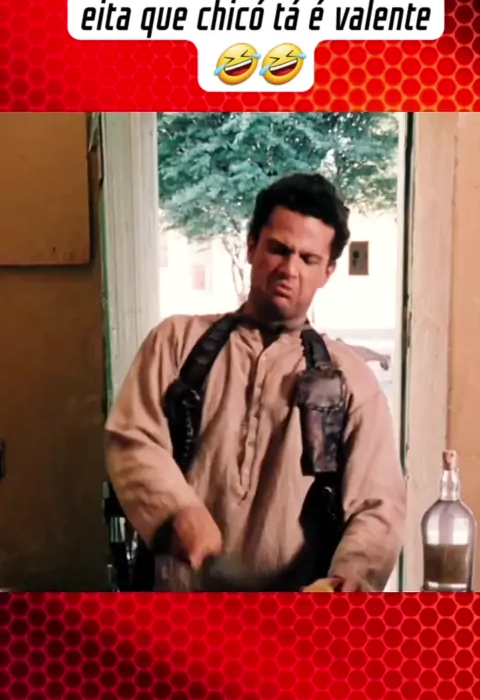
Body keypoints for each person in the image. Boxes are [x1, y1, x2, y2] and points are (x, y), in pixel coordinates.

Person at [105, 172, 406, 592]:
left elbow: (378, 506)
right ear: (251, 247)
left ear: (328, 271)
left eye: (308, 259)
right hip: (181, 609)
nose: (289, 269)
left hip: (296, 619)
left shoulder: (351, 380)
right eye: (278, 249)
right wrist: (175, 511)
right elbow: (132, 438)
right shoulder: (176, 343)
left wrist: (345, 583)